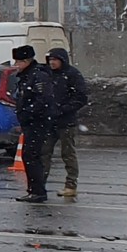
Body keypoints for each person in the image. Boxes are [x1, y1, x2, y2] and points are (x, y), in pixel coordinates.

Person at [9, 44, 60, 202]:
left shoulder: (38, 76)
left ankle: (37, 191)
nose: (16, 65)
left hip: (38, 123)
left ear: (26, 61)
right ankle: (34, 189)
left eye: (18, 62)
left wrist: (28, 113)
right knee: (29, 156)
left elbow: (43, 100)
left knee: (32, 156)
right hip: (31, 122)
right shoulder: (27, 76)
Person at [39, 47, 91, 199]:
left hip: (65, 121)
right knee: (44, 152)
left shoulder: (72, 75)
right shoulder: (47, 75)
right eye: (50, 60)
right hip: (50, 121)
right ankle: (40, 184)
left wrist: (64, 109)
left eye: (55, 60)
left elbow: (80, 97)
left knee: (67, 153)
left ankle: (71, 185)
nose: (52, 63)